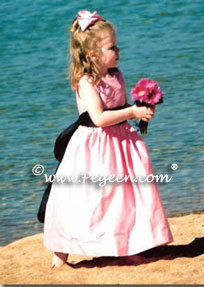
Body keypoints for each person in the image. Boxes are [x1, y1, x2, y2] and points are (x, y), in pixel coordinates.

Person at [44, 10, 173, 269]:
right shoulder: (86, 81)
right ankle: (61, 252)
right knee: (82, 199)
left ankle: (127, 245)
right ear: (93, 54)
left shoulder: (117, 74)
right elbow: (100, 118)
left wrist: (141, 110)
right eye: (112, 47)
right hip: (94, 147)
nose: (118, 50)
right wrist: (131, 111)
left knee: (123, 196)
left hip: (120, 144)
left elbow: (120, 108)